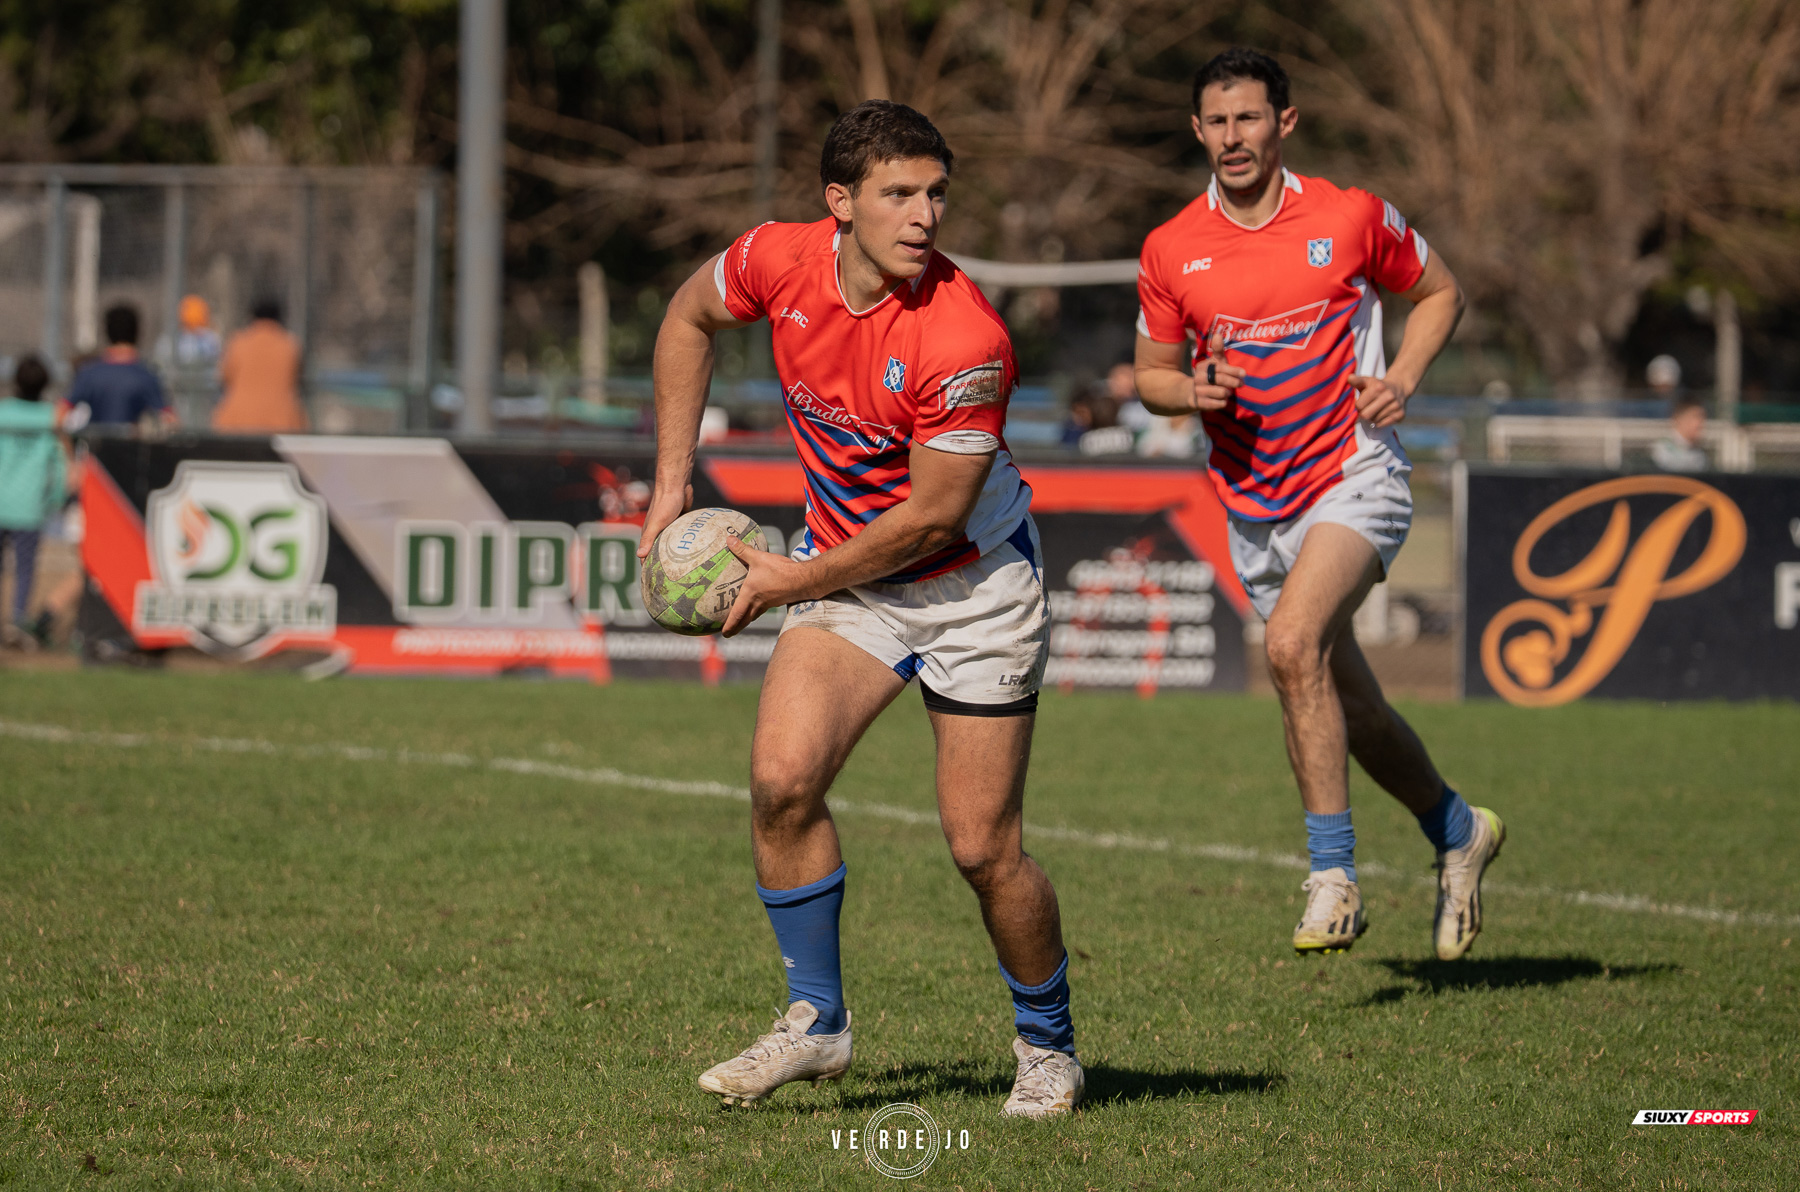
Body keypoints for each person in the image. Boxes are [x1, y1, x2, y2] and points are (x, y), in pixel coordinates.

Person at [640, 100, 1082, 1117]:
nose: (925, 215)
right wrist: (670, 485)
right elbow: (686, 317)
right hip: (850, 579)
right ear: (839, 201)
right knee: (781, 782)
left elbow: (933, 518)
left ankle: (1048, 1043)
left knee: (983, 849)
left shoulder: (965, 336)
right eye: (899, 193)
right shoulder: (777, 259)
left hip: (973, 587)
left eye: (937, 193)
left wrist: (792, 579)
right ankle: (817, 1021)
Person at [1134, 49, 1505, 961]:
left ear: (1284, 123)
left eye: (1249, 118)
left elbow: (1441, 292)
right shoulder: (1170, 247)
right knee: (1355, 710)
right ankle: (1459, 831)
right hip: (1253, 507)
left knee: (1290, 646)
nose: (1233, 137)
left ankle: (1333, 878)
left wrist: (1401, 378)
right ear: (1197, 131)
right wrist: (1191, 391)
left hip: (1354, 473)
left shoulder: (1349, 216)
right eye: (1217, 122)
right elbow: (1150, 377)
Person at [0, 355, 67, 646]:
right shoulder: (52, 418)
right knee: (25, 567)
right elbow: (59, 464)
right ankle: (17, 622)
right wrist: (56, 499)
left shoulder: (3, 412)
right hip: (29, 507)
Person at [67, 305, 173, 428]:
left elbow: (61, 413)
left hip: (96, 440)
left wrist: (69, 440)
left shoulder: (89, 373)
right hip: (132, 440)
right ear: (136, 332)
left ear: (107, 331)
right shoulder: (146, 375)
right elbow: (170, 419)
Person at [213, 299, 307, 432]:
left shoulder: (238, 342)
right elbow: (296, 378)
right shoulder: (290, 345)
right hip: (282, 421)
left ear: (252, 317)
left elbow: (225, 377)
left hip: (236, 421)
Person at [1651, 393, 1709, 472]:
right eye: (1695, 416)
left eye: (1703, 417)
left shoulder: (1700, 455)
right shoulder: (1660, 450)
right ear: (1678, 418)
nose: (1700, 423)